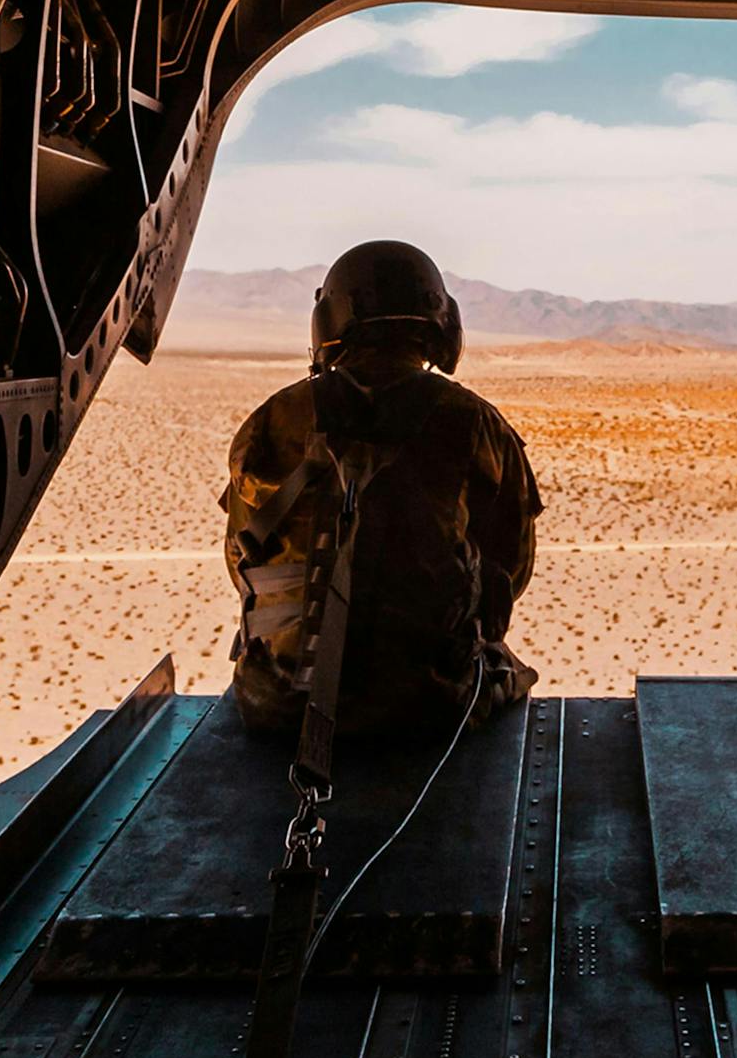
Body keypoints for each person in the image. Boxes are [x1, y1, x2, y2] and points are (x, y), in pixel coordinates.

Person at [221, 241, 540, 738]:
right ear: (441, 325)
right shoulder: (473, 422)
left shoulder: (272, 420)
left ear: (329, 322)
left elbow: (241, 563)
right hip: (433, 708)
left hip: (278, 709)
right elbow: (510, 571)